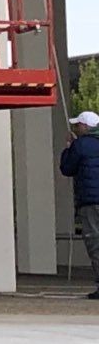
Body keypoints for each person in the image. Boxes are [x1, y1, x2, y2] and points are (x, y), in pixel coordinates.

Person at [62, 110, 99, 299]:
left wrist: (69, 147)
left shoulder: (81, 145)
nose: (76, 127)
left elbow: (67, 169)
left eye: (78, 125)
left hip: (91, 201)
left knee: (95, 242)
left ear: (85, 127)